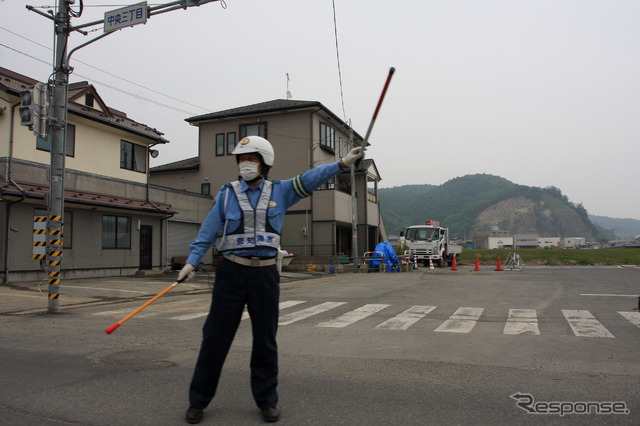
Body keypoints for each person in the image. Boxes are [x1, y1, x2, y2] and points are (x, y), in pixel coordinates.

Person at [178, 135, 364, 424]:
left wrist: (340, 163)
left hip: (265, 273)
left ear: (264, 163)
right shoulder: (226, 194)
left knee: (265, 340)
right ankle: (198, 400)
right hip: (231, 271)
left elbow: (310, 178)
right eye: (241, 159)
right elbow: (208, 231)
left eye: (251, 159)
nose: (245, 164)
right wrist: (191, 262)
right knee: (215, 338)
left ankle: (267, 400)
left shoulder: (282, 191)